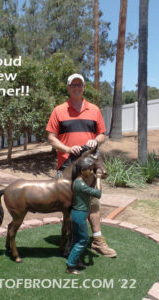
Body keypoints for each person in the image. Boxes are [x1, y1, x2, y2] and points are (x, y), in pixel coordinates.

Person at [46, 73, 117, 258]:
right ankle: (68, 240)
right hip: (66, 168)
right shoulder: (59, 111)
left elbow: (102, 134)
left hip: (87, 169)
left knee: (93, 203)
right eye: (73, 85)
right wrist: (68, 148)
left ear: (83, 87)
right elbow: (51, 138)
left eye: (79, 84)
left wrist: (96, 141)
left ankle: (97, 240)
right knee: (68, 207)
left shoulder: (94, 110)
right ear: (68, 88)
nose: (76, 87)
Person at [66, 157, 102, 274]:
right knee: (83, 240)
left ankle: (75, 261)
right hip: (79, 215)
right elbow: (98, 193)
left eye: (92, 170)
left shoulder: (78, 181)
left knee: (76, 239)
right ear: (82, 170)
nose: (92, 172)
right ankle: (70, 266)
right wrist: (98, 179)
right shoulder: (80, 184)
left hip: (77, 214)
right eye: (90, 170)